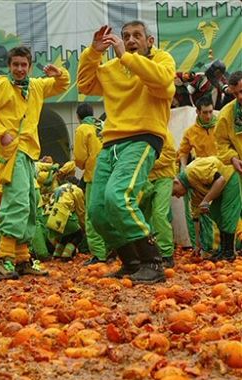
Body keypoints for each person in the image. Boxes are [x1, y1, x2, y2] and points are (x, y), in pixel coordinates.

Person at [77, 21, 175, 283]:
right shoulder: (112, 68)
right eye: (126, 36)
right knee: (97, 210)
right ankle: (131, 263)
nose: (131, 40)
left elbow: (164, 81)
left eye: (137, 36)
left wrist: (126, 57)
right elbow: (85, 85)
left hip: (143, 138)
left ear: (149, 41)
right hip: (110, 143)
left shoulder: (161, 60)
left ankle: (153, 262)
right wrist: (93, 53)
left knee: (118, 196)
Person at [0, 46, 70, 280]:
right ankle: (4, 260)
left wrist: (60, 73)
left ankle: (22, 259)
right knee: (16, 202)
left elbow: (61, 86)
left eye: (23, 65)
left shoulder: (35, 86)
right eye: (15, 64)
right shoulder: (1, 85)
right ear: (9, 66)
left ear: (28, 66)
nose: (19, 69)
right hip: (11, 153)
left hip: (28, 153)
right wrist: (0, 133)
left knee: (29, 202)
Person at [172, 156, 241, 261]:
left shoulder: (192, 171)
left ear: (176, 182)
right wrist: (197, 245)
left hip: (229, 177)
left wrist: (206, 200)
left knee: (227, 213)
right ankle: (223, 250)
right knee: (215, 213)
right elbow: (196, 217)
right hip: (220, 189)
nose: (177, 196)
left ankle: (229, 252)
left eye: (175, 192)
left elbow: (220, 180)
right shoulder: (193, 190)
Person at [178, 95, 219, 255]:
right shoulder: (191, 132)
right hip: (201, 176)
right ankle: (202, 246)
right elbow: (183, 151)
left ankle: (225, 247)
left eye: (210, 112)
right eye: (204, 113)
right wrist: (183, 168)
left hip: (221, 173)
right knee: (198, 212)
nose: (208, 116)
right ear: (197, 112)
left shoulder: (221, 124)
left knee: (225, 210)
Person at [74, 102, 108, 265]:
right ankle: (112, 249)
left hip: (94, 176)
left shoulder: (82, 129)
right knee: (108, 213)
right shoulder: (103, 125)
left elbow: (80, 157)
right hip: (110, 173)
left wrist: (82, 166)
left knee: (92, 216)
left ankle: (99, 254)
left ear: (78, 117)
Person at [140, 129, 177, 268]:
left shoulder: (163, 132)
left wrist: (147, 163)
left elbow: (170, 155)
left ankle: (167, 254)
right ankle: (147, 252)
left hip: (163, 177)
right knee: (143, 216)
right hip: (147, 179)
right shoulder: (140, 134)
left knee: (160, 214)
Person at [45, 176, 85, 260]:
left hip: (49, 217)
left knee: (66, 235)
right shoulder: (76, 189)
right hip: (62, 215)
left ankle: (57, 254)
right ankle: (67, 255)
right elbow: (81, 211)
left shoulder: (58, 188)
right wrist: (84, 226)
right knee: (78, 234)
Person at [215, 71, 242, 177]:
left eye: (241, 91)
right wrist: (233, 158)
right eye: (235, 93)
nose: (240, 97)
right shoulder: (225, 115)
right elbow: (221, 144)